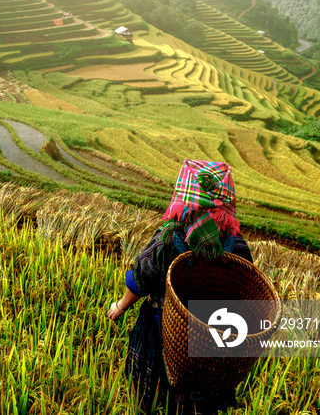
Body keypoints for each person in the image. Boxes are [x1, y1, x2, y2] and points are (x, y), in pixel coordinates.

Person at [107, 160, 254, 414]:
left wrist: (119, 307)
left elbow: (141, 279)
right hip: (211, 341)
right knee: (201, 403)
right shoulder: (235, 244)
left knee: (154, 400)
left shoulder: (169, 240)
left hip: (165, 334)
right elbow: (246, 288)